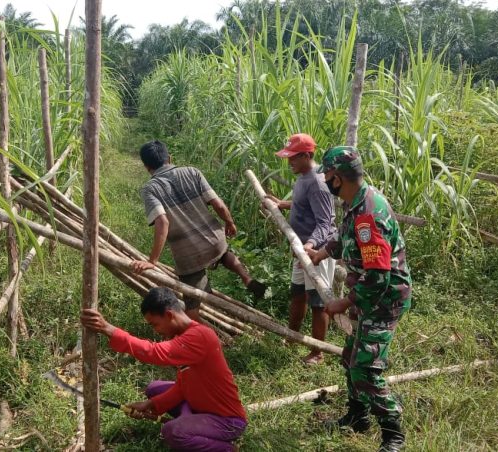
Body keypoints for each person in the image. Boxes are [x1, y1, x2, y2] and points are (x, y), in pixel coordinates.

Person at [307, 146, 411, 452]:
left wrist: (344, 302)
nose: (324, 179)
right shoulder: (355, 202)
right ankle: (358, 416)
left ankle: (393, 431)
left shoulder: (368, 215)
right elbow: (343, 238)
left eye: (326, 174)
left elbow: (379, 277)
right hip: (367, 295)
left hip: (383, 299)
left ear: (337, 178)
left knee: (364, 369)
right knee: (349, 355)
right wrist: (320, 253)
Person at [80, 287, 247, 452]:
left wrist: (108, 329)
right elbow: (183, 387)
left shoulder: (199, 336)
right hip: (200, 406)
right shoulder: (183, 336)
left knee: (173, 432)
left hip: (227, 421)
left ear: (169, 315)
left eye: (155, 325)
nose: (156, 331)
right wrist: (151, 404)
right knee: (155, 389)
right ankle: (190, 421)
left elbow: (153, 352)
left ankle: (227, 449)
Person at [131, 140, 266, 322]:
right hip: (214, 239)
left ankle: (195, 331)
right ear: (169, 158)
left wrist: (152, 261)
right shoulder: (192, 172)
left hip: (188, 254)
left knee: (192, 298)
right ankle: (246, 277)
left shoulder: (150, 189)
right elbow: (217, 203)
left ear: (146, 166)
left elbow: (162, 222)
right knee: (225, 253)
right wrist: (229, 222)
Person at [264, 133, 336, 366]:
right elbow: (304, 205)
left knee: (318, 302)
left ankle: (318, 352)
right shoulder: (303, 177)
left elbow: (325, 223)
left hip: (317, 252)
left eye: (293, 157)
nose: (289, 162)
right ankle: (292, 337)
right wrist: (283, 204)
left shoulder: (318, 182)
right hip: (302, 249)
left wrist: (310, 246)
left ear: (307, 155)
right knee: (297, 295)